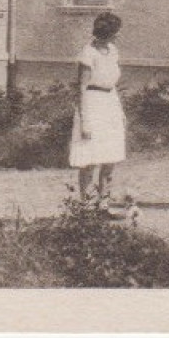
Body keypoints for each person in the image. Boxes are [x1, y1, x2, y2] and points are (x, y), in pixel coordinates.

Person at [70, 13, 126, 201]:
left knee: (110, 156)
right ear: (107, 32)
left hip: (110, 103)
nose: (118, 35)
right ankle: (85, 204)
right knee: (89, 157)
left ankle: (105, 200)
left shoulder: (113, 50)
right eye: (116, 31)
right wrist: (84, 121)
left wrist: (121, 112)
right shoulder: (88, 53)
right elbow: (82, 87)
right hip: (92, 104)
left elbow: (112, 83)